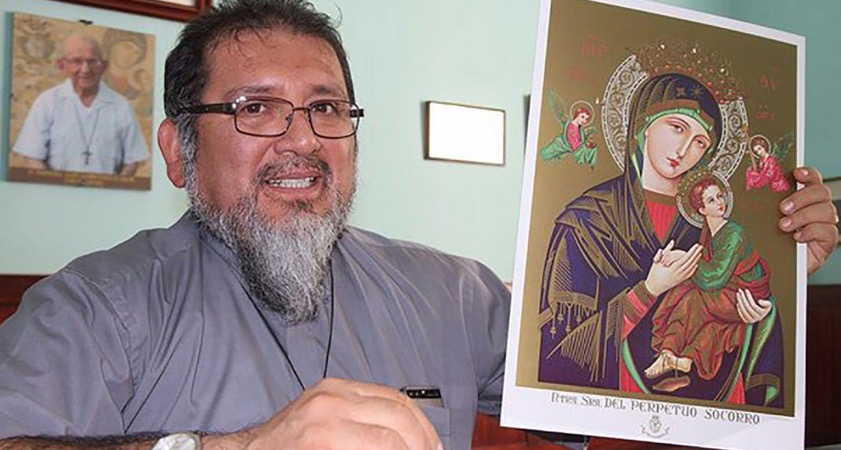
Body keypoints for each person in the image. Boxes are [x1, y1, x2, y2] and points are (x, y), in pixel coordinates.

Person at [0, 1, 835, 449]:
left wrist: (766, 260)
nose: (302, 138)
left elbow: (607, 382)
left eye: (327, 108)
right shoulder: (95, 307)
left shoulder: (453, 294)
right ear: (179, 152)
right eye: (255, 108)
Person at [538, 71, 837, 407]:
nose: (683, 150)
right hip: (607, 422)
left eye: (699, 142)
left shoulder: (717, 224)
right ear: (645, 124)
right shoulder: (585, 220)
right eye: (677, 127)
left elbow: (744, 304)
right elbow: (558, 351)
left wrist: (786, 279)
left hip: (720, 418)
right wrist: (648, 290)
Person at [645, 174, 774, 395]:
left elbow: (713, 277)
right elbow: (708, 266)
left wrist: (683, 257)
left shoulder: (734, 234)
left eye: (720, 196)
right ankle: (676, 357)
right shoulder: (709, 231)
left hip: (744, 295)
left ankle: (671, 352)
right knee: (686, 298)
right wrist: (673, 259)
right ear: (702, 209)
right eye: (711, 200)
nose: (720, 202)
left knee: (692, 300)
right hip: (727, 291)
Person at [13, 33, 148, 176]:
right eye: (76, 61)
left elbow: (132, 161)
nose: (85, 69)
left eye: (92, 62)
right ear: (62, 65)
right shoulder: (47, 102)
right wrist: (54, 186)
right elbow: (32, 156)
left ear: (103, 66)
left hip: (106, 189)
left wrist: (112, 187)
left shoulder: (121, 106)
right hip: (55, 189)